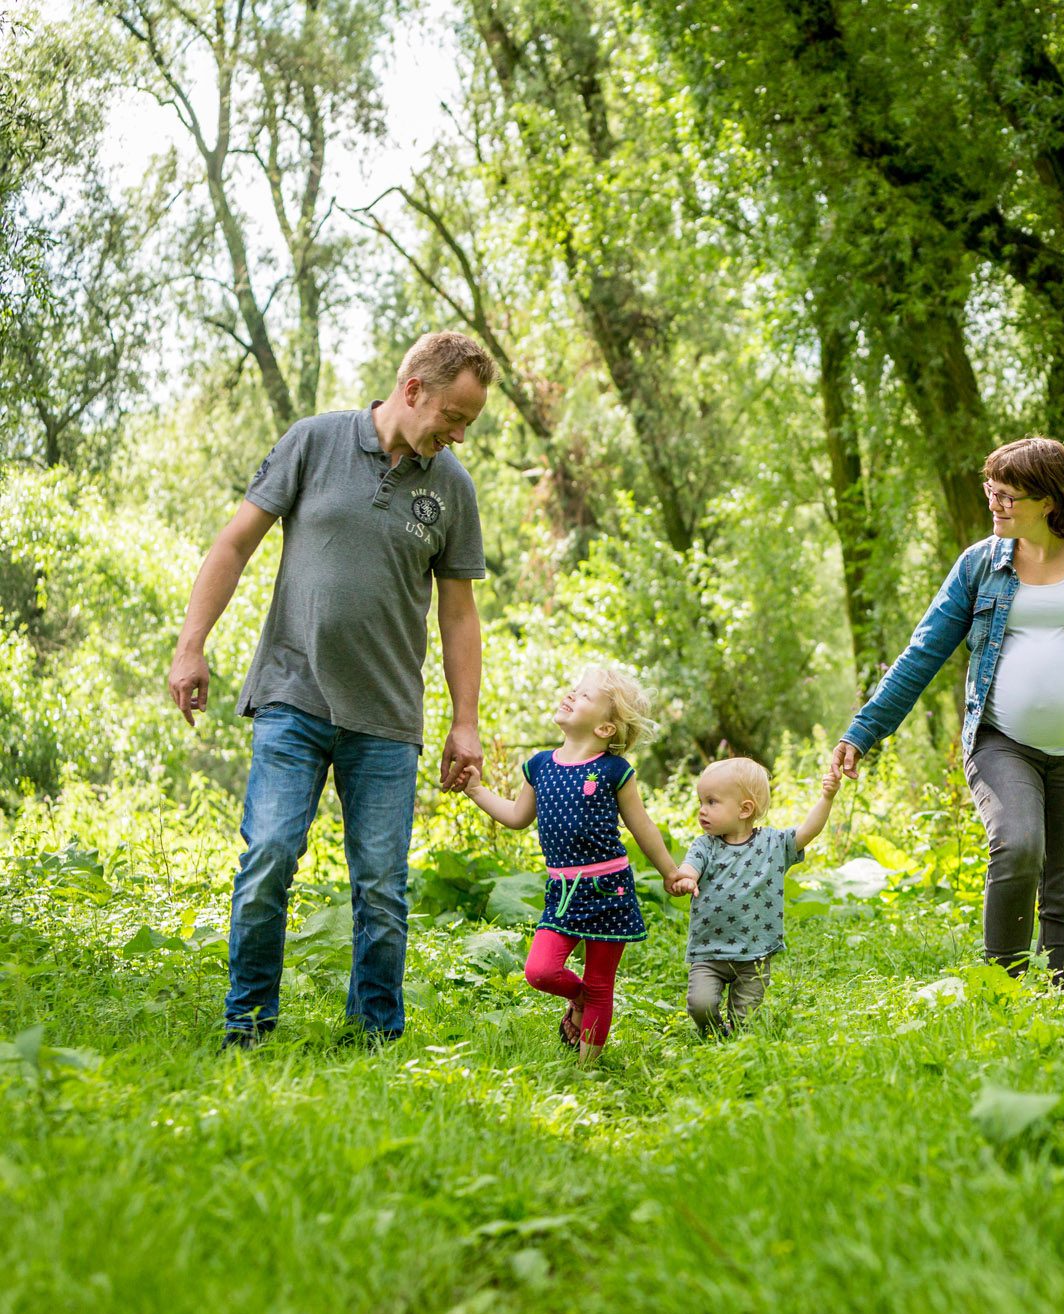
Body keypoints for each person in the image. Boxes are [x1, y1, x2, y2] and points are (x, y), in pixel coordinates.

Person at [167, 332, 495, 1048]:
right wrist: (192, 645)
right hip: (293, 693)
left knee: (381, 885)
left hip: (386, 717)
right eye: (454, 414)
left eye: (469, 420)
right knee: (270, 857)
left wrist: (464, 721)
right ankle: (246, 1027)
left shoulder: (452, 488)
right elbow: (234, 544)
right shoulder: (315, 442)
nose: (460, 433)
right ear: (413, 390)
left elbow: (460, 612)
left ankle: (375, 1036)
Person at [830, 437, 1064, 989]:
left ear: (1049, 500)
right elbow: (922, 652)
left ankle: (1058, 1001)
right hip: (1004, 743)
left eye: (1008, 496)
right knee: (1018, 844)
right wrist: (864, 730)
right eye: (991, 492)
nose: (994, 504)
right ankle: (1003, 989)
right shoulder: (979, 565)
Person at [461, 666, 688, 1062]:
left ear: (605, 729)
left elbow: (643, 828)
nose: (570, 695)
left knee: (603, 982)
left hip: (609, 890)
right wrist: (477, 789)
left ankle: (586, 1070)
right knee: (541, 971)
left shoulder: (614, 772)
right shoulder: (540, 766)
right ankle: (583, 998)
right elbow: (517, 816)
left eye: (584, 696)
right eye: (573, 690)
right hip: (562, 892)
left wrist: (671, 872)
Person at [678, 756, 838, 1035]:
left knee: (745, 1020)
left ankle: (735, 1046)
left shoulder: (773, 844)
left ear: (744, 809)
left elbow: (808, 831)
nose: (702, 811)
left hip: (755, 952)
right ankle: (716, 1032)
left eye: (711, 802)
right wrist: (686, 878)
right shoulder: (705, 845)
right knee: (699, 1005)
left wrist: (827, 796)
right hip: (709, 950)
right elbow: (690, 866)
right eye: (701, 802)